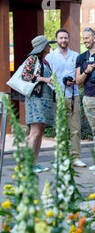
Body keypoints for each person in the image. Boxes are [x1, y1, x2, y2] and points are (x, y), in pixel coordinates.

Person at [46, 28, 86, 168]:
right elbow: (47, 76)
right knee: (61, 129)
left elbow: (79, 74)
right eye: (61, 38)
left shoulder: (76, 56)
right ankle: (61, 157)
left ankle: (75, 157)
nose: (63, 40)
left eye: (65, 38)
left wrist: (74, 81)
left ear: (69, 40)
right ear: (56, 40)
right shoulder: (50, 58)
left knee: (75, 128)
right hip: (58, 96)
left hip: (74, 95)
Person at [21, 35, 56, 173]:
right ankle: (28, 165)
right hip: (36, 99)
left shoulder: (45, 61)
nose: (49, 46)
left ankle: (35, 163)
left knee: (40, 132)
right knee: (35, 132)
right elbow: (25, 75)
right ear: (42, 46)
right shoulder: (32, 59)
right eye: (47, 44)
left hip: (45, 99)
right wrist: (44, 79)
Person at [75, 27, 95, 171]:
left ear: (94, 38)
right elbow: (78, 81)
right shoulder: (82, 57)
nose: (85, 40)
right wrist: (87, 71)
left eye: (87, 37)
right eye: (83, 38)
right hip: (89, 98)